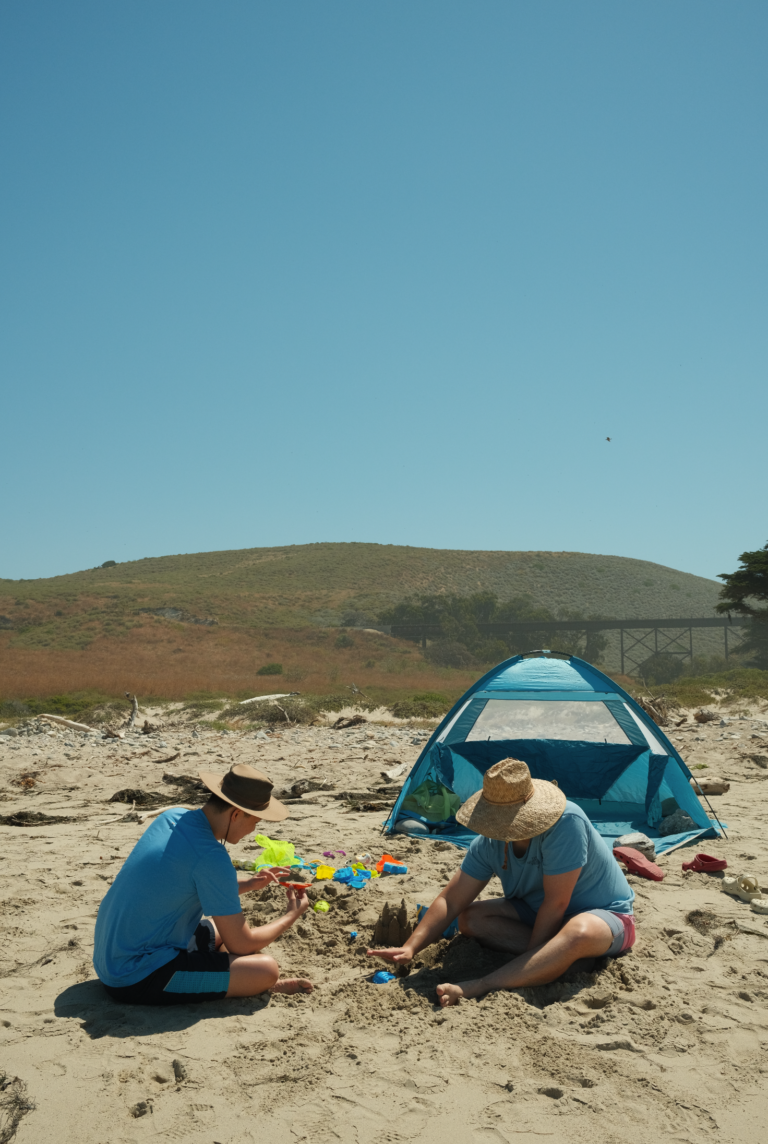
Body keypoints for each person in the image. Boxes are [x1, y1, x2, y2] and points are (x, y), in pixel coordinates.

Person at [368, 758, 635, 1007]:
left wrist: (526, 965)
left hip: (603, 915)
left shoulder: (566, 823)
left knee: (579, 931)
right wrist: (410, 947)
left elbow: (557, 904)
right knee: (470, 919)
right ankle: (567, 959)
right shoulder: (488, 843)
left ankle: (485, 984)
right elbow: (452, 899)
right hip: (537, 913)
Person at [93, 763, 313, 1005]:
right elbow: (242, 944)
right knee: (267, 970)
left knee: (220, 931)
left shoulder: (172, 817)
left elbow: (180, 885)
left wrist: (249, 883)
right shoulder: (211, 856)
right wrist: (291, 915)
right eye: (256, 822)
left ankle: (238, 979)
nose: (253, 830)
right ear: (236, 814)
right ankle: (249, 982)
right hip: (135, 977)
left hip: (111, 955)